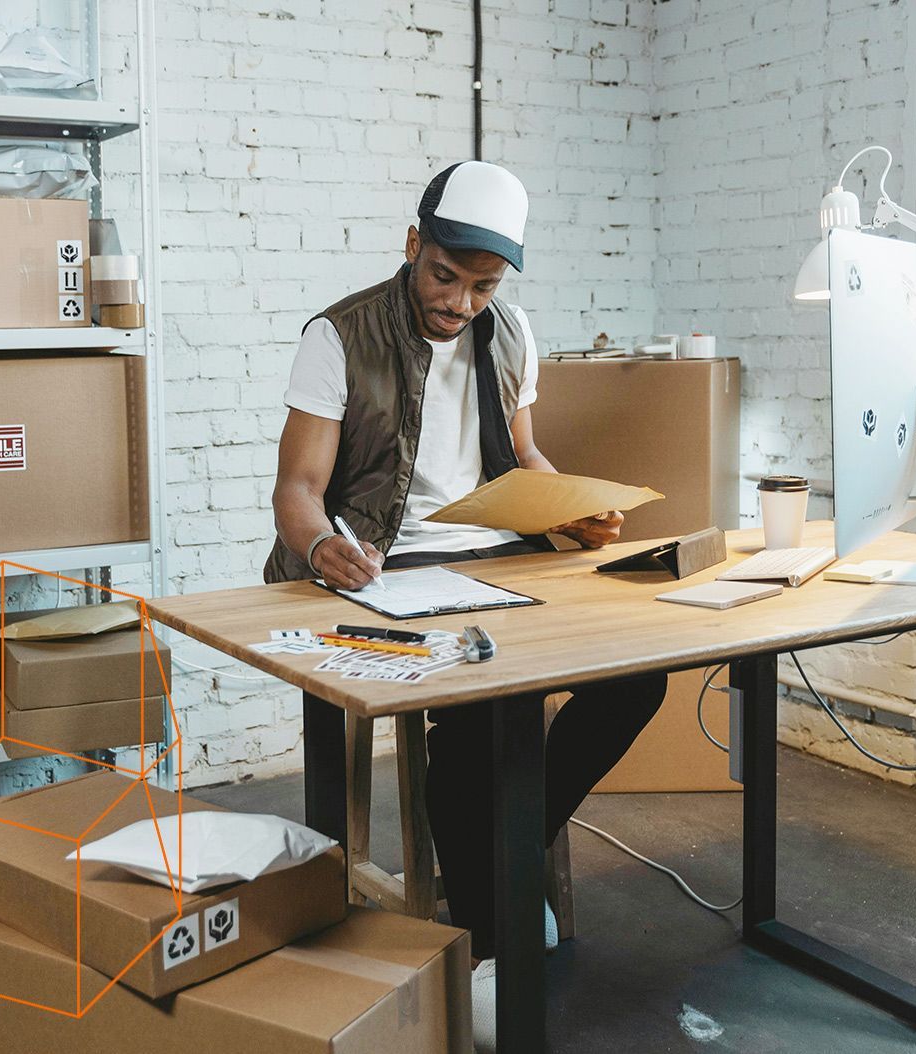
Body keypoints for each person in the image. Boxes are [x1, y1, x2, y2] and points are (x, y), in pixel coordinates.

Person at [267, 160, 666, 1051]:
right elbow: (297, 489)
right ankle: (491, 943)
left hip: (496, 558)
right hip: (389, 562)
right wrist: (322, 546)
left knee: (637, 680)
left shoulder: (509, 332)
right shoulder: (339, 336)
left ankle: (506, 868)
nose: (459, 303)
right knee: (476, 717)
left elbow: (524, 457)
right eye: (445, 276)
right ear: (414, 244)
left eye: (482, 287)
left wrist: (571, 508)